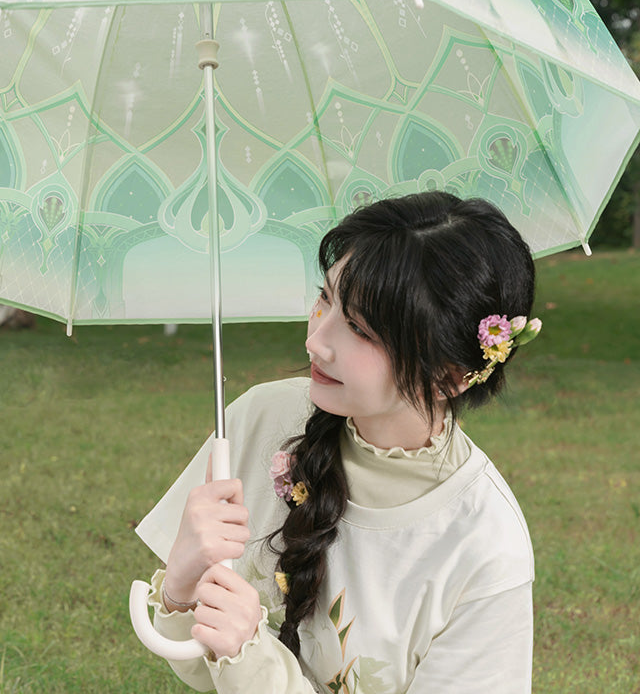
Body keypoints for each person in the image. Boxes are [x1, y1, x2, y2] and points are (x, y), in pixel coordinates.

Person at [136, 191, 540, 694]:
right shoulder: (261, 416)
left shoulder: (484, 547)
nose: (316, 341)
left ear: (449, 376)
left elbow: (240, 664)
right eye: (325, 299)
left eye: (359, 329)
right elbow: (197, 665)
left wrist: (252, 660)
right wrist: (179, 587)